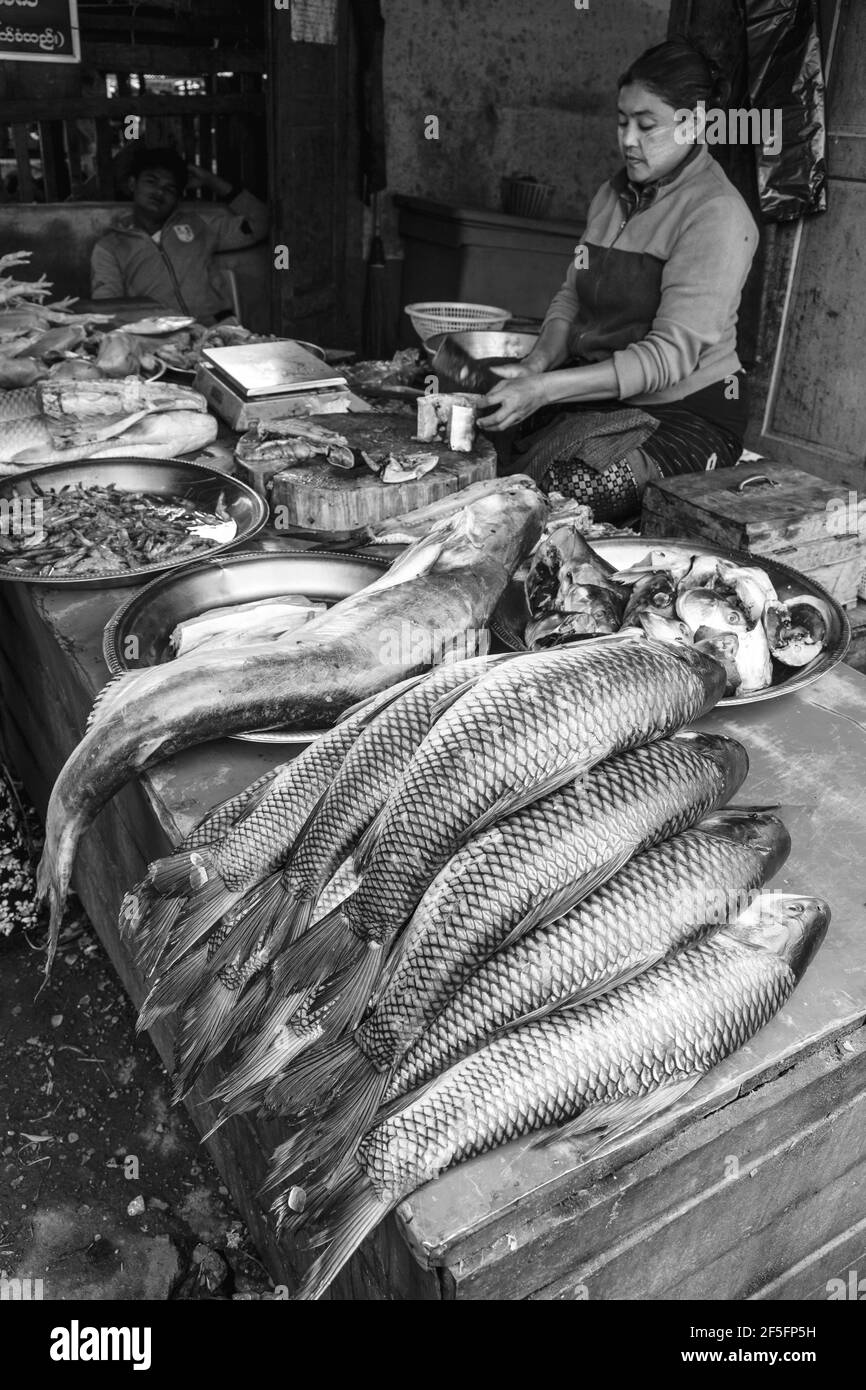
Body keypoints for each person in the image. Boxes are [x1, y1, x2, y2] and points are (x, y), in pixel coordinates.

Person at [483, 40, 759, 521]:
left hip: (685, 411)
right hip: (603, 393)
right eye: (621, 121)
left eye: (646, 125)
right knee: (477, 435)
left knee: (576, 490)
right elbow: (571, 295)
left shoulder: (717, 215)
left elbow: (667, 357)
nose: (628, 139)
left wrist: (546, 389)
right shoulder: (611, 196)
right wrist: (535, 366)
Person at [90, 146, 269, 324]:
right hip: (157, 338)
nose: (160, 192)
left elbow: (263, 222)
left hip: (216, 328)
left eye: (170, 189)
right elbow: (107, 309)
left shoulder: (199, 225)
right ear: (132, 184)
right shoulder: (110, 247)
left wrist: (211, 181)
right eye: (151, 182)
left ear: (177, 199)